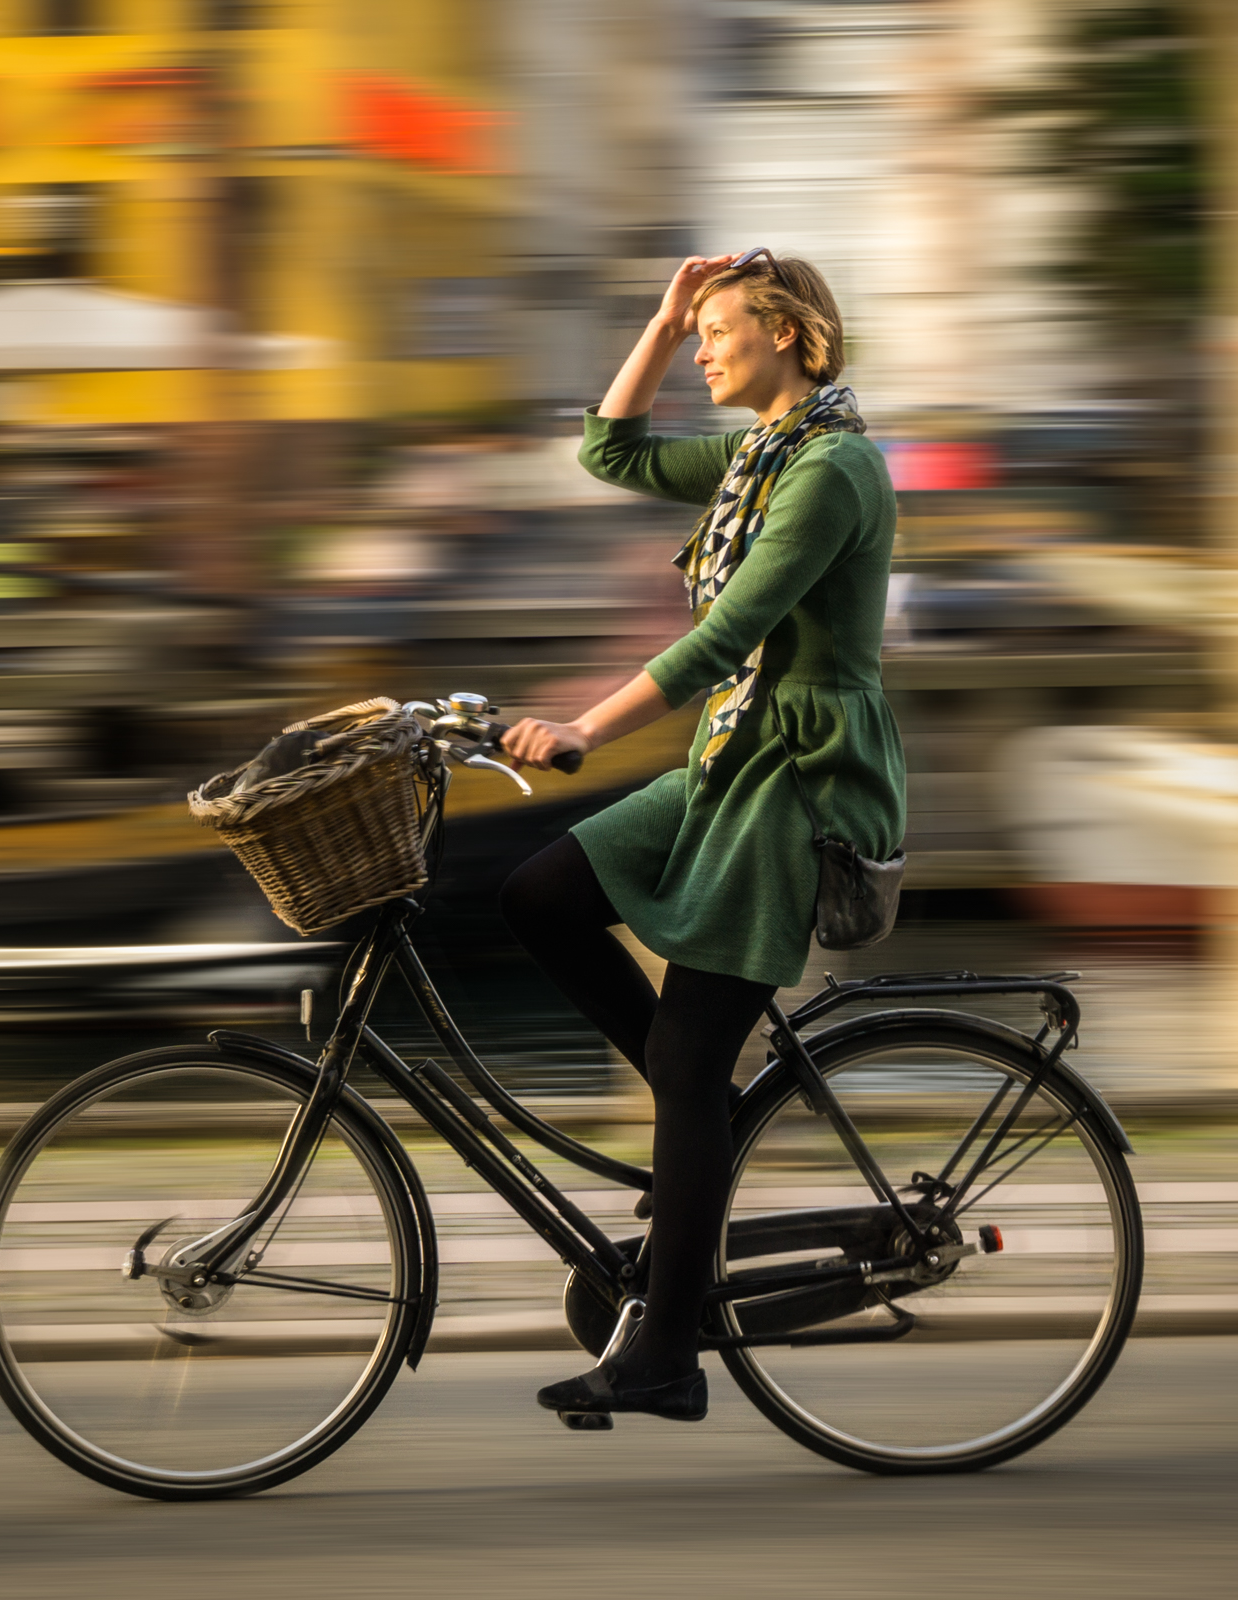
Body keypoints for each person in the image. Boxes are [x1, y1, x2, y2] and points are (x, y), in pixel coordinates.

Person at [498, 250, 907, 1422]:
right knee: (538, 894)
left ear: (793, 338)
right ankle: (707, 1133)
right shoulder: (756, 460)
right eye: (703, 330)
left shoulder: (828, 472)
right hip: (735, 758)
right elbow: (609, 449)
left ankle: (667, 1356)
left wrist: (582, 728)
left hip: (801, 779)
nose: (707, 348)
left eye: (723, 328)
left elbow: (723, 640)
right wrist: (663, 320)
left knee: (684, 1060)